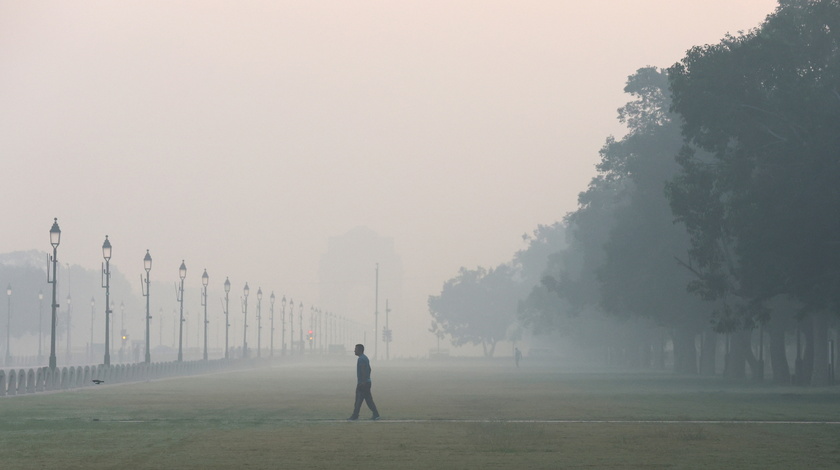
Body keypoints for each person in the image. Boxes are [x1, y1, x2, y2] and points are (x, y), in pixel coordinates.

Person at [348, 343, 380, 421]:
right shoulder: (365, 358)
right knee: (368, 400)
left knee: (358, 400)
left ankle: (355, 415)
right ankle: (376, 414)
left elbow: (363, 370)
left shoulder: (361, 359)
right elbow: (369, 369)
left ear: (359, 350)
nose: (354, 351)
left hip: (363, 383)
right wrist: (367, 379)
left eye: (355, 349)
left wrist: (362, 382)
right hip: (367, 382)